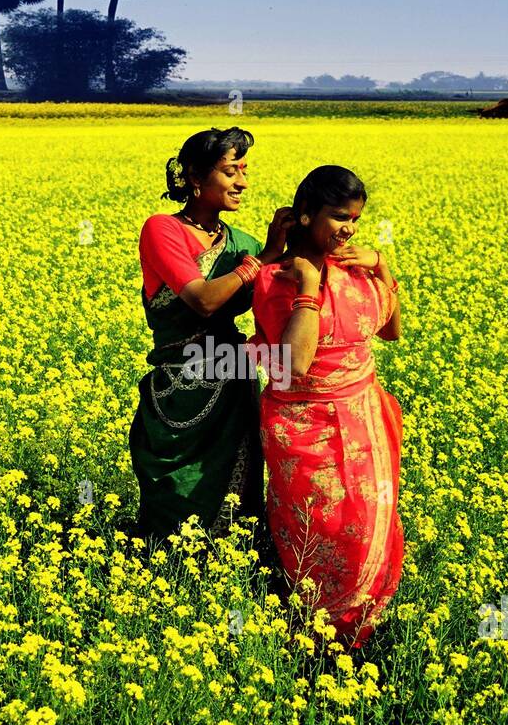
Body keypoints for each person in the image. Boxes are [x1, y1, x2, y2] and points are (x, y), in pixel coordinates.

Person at [250, 165, 404, 649]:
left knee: (368, 524)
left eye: (355, 219)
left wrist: (382, 267)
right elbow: (294, 363)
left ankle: (362, 636)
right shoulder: (279, 277)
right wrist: (309, 289)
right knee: (324, 531)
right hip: (304, 426)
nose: (348, 229)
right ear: (305, 216)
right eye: (339, 217)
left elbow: (391, 331)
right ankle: (318, 641)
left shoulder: (357, 271)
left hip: (365, 420)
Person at [129, 126, 293, 540]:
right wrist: (263, 259)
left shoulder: (241, 242)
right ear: (196, 179)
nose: (242, 181)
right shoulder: (163, 229)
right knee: (179, 488)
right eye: (230, 171)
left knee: (239, 487)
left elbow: (289, 277)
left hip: (233, 377)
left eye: (245, 170)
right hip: (181, 383)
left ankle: (232, 567)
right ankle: (169, 570)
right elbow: (201, 300)